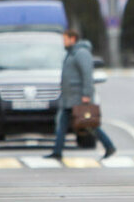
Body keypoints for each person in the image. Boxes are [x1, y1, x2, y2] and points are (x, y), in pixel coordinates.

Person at [45, 30, 115, 160]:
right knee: (62, 124)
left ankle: (109, 146)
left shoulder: (81, 53)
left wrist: (86, 94)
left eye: (65, 39)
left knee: (88, 123)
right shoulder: (71, 53)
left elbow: (87, 75)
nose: (63, 42)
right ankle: (57, 151)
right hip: (69, 98)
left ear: (73, 39)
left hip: (78, 97)